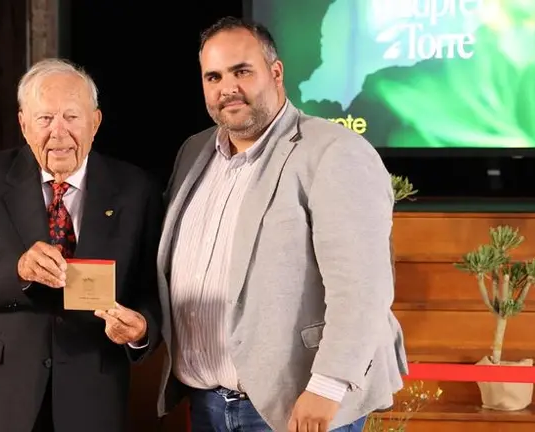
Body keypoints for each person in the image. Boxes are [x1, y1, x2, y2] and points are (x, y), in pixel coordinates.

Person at [155, 17, 409, 432]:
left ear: (275, 73)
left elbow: (363, 288)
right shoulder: (194, 151)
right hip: (207, 405)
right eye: (213, 76)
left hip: (295, 406)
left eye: (242, 71)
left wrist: (326, 388)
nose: (227, 88)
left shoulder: (334, 152)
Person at [0, 58, 163, 432]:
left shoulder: (137, 189)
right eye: (45, 119)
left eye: (71, 117)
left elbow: (153, 289)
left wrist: (141, 330)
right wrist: (18, 270)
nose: (58, 133)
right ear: (24, 124)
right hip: (5, 393)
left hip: (93, 391)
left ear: (96, 121)